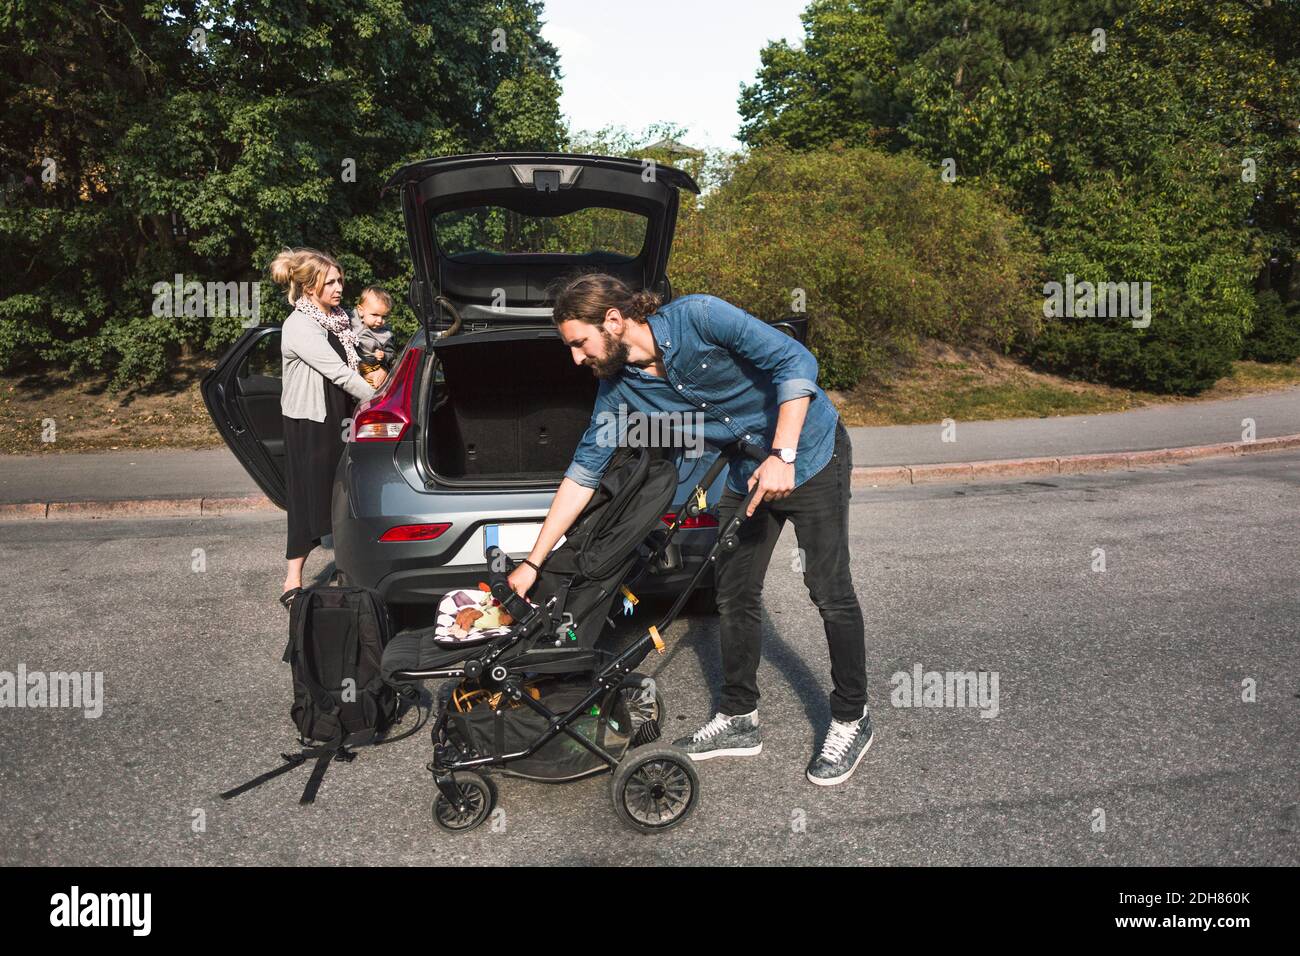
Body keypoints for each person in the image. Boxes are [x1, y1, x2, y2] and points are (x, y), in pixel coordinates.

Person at [506, 273, 872, 786]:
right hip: (749, 472)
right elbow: (583, 473)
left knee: (829, 592)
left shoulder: (700, 317)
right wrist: (533, 561)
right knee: (734, 592)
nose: (575, 358)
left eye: (578, 343)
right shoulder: (619, 392)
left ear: (612, 321)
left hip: (809, 453)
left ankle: (852, 717)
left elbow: (795, 360)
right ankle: (740, 718)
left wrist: (783, 453)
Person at [271, 248, 387, 610]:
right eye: (330, 282)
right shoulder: (300, 326)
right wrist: (379, 400)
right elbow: (338, 372)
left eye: (340, 280)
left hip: (340, 412)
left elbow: (364, 354)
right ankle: (293, 579)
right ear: (309, 287)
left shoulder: (338, 318)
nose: (339, 288)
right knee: (309, 497)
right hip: (311, 420)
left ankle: (352, 569)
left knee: (345, 490)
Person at [350, 286, 395, 373]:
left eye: (384, 316)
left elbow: (391, 354)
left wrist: (384, 356)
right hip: (352, 364)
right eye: (375, 315)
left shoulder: (385, 335)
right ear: (360, 311)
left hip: (371, 367)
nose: (380, 321)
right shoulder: (351, 318)